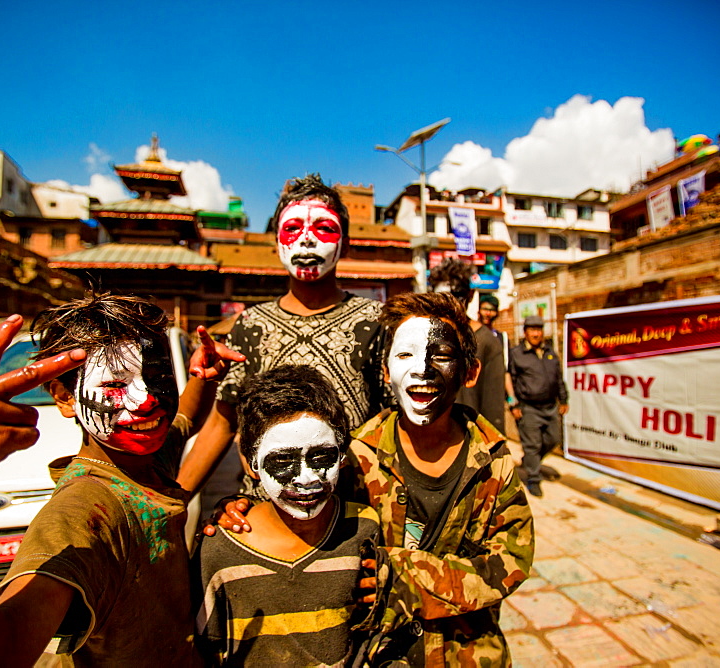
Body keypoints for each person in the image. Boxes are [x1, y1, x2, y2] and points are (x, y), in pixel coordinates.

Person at [0, 293, 243, 666]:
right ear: (65, 397)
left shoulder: (144, 455)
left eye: (157, 377)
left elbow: (185, 420)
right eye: (116, 384)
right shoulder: (82, 515)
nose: (146, 399)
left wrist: (203, 376)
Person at [213, 292, 534, 665]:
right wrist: (242, 515)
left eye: (442, 356)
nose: (423, 369)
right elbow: (303, 527)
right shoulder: (354, 458)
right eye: (405, 355)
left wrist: (403, 578)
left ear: (470, 371)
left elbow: (511, 559)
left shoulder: (493, 462)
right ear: (384, 371)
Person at [178, 173, 387, 497]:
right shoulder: (250, 325)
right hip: (265, 510)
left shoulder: (375, 321)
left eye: (323, 228)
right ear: (276, 243)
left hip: (354, 510)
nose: (306, 239)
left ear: (345, 244)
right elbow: (222, 424)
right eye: (292, 229)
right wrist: (174, 502)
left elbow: (397, 424)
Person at [192, 365, 380, 666]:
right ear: (253, 462)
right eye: (282, 461)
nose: (306, 478)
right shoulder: (219, 552)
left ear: (342, 456)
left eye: (321, 457)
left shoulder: (364, 529)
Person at [428, 257, 508, 436]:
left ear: (470, 296)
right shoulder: (424, 337)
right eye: (441, 297)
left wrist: (494, 449)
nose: (449, 305)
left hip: (469, 442)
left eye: (456, 296)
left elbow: (493, 405)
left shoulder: (487, 342)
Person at [505, 314, 569, 498]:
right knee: (532, 444)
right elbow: (510, 380)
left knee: (553, 439)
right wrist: (513, 404)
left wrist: (563, 399)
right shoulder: (517, 354)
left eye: (539, 330)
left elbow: (558, 379)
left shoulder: (550, 353)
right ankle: (534, 478)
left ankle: (530, 462)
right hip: (528, 407)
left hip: (549, 406)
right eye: (532, 330)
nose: (536, 333)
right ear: (525, 332)